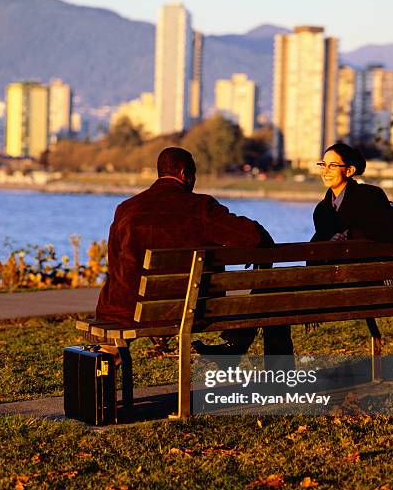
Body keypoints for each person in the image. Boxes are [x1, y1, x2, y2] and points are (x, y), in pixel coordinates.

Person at [96, 147, 293, 359]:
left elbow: (115, 262)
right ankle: (274, 380)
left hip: (128, 311)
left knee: (110, 337)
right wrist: (262, 234)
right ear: (184, 174)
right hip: (194, 312)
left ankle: (103, 372)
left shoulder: (126, 208)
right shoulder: (201, 208)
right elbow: (251, 236)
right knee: (272, 303)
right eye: (194, 174)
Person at [312, 143, 393, 243]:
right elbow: (314, 250)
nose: (325, 171)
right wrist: (330, 242)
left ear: (349, 171)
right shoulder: (321, 210)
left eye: (332, 166)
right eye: (323, 165)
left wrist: (350, 235)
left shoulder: (371, 196)